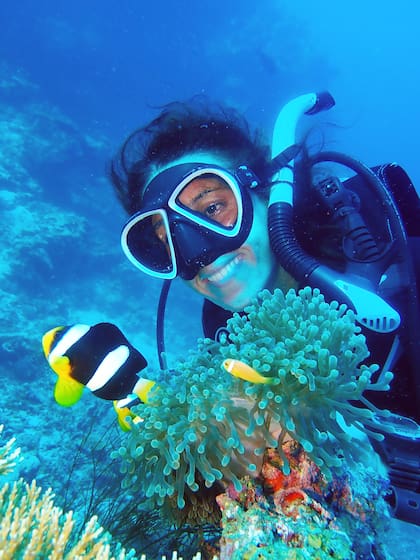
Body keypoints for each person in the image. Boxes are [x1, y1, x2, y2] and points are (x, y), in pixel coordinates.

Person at [109, 92, 420, 525]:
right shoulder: (225, 330)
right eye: (169, 241)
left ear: (270, 191)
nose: (199, 255)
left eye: (213, 208)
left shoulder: (394, 247)